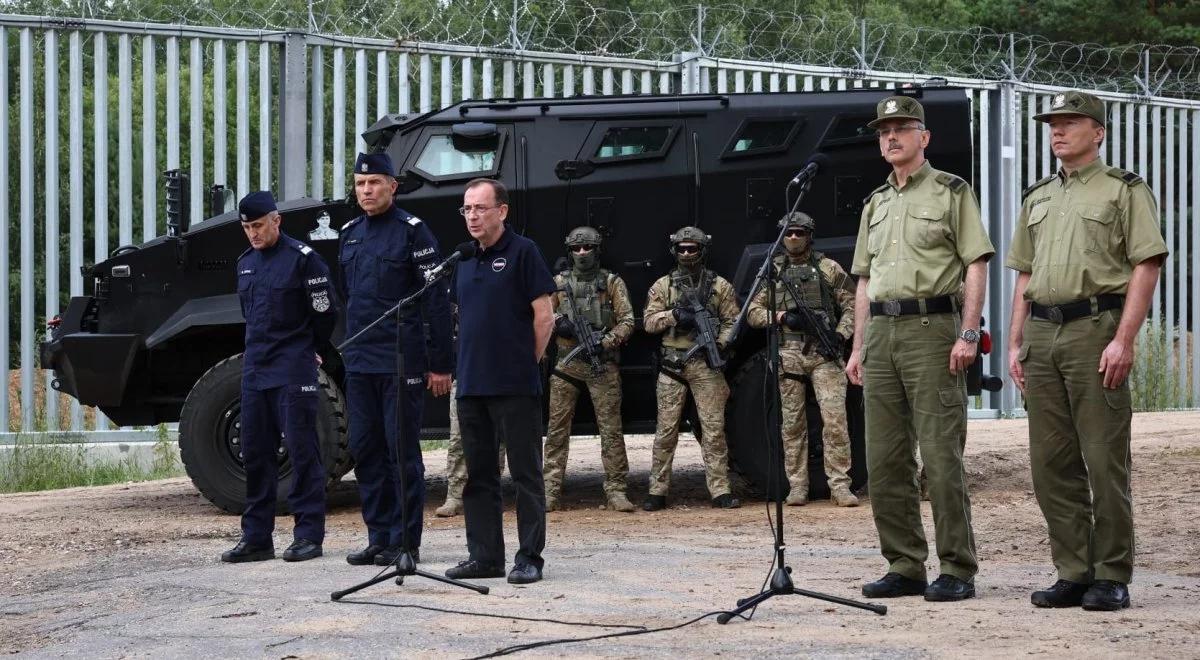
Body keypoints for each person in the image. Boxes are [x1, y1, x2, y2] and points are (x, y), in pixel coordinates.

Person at [1006, 90, 1167, 611]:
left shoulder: (1124, 191)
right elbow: (1024, 273)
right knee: (1050, 462)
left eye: (1070, 123)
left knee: (1102, 459)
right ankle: (1073, 570)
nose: (1057, 131)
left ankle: (1112, 573)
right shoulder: (1039, 196)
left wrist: (1124, 338)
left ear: (1097, 132)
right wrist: (1014, 342)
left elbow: (1147, 263)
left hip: (1095, 330)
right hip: (1042, 332)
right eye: (1053, 124)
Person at [844, 95, 994, 602]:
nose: (891, 137)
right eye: (884, 131)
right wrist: (858, 345)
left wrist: (969, 332)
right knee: (884, 459)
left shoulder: (952, 191)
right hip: (882, 334)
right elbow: (864, 280)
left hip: (933, 330)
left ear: (923, 138)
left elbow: (976, 262)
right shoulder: (875, 202)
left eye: (902, 129)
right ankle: (904, 564)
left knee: (940, 454)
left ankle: (957, 568)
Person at [338, 153, 453, 567]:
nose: (366, 191)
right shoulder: (350, 234)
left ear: (392, 186)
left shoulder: (414, 233)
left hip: (401, 360)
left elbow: (436, 301)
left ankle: (406, 543)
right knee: (365, 448)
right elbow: (348, 301)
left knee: (400, 452)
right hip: (361, 361)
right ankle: (379, 537)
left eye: (374, 184)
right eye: (359, 185)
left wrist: (440, 363)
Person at [446, 178, 556, 585]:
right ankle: (485, 556)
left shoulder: (524, 252)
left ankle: (529, 558)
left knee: (526, 476)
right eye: (467, 209)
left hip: (515, 386)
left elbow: (544, 316)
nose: (472, 216)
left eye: (480, 208)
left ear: (502, 211)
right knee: (479, 477)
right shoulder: (462, 260)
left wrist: (526, 363)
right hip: (472, 385)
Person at [221, 191, 336, 564]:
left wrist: (310, 348)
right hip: (256, 369)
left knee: (303, 452)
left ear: (276, 221)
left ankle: (307, 535)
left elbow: (324, 312)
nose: (253, 233)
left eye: (257, 225)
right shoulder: (245, 263)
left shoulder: (303, 260)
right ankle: (257, 537)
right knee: (255, 454)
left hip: (293, 367)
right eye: (246, 228)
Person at [746, 211, 858, 508]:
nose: (793, 238)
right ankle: (797, 486)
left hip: (824, 354)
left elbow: (853, 305)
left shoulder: (828, 268)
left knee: (835, 421)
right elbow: (752, 312)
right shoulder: (772, 271)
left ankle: (840, 485)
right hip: (789, 354)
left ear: (810, 235)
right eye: (789, 233)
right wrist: (783, 316)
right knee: (792, 424)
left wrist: (841, 334)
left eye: (799, 232)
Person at [642, 226, 740, 511]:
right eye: (682, 249)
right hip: (673, 364)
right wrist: (674, 316)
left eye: (692, 249)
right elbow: (648, 322)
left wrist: (719, 345)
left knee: (713, 431)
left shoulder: (719, 286)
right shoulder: (663, 286)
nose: (687, 254)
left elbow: (732, 321)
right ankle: (657, 490)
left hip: (706, 365)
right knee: (665, 431)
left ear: (702, 251)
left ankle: (720, 489)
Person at [544, 226, 637, 513]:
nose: (582, 253)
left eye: (587, 248)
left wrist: (606, 341)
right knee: (557, 431)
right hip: (567, 366)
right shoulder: (558, 283)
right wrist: (559, 321)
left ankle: (616, 490)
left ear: (597, 250)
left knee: (611, 431)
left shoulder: (611, 282)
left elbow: (628, 321)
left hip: (602, 365)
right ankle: (549, 491)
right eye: (576, 249)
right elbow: (540, 314)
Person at [434, 380, 506, 518]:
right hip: (465, 377)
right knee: (458, 437)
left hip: (498, 378)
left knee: (496, 438)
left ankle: (491, 497)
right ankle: (455, 496)